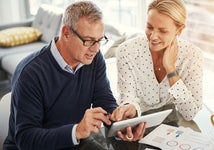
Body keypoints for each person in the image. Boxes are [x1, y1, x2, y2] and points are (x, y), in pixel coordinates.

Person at [3, 1, 146, 150]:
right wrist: (76, 131)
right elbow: (25, 139)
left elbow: (104, 100)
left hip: (75, 143)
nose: (96, 49)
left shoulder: (94, 59)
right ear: (66, 33)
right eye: (89, 41)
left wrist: (121, 124)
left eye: (99, 40)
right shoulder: (30, 72)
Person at [116, 0, 203, 123]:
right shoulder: (126, 51)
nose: (153, 36)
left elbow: (190, 113)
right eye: (149, 27)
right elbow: (128, 97)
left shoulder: (193, 56)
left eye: (163, 31)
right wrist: (129, 108)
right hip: (137, 122)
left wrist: (170, 69)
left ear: (179, 30)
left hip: (171, 124)